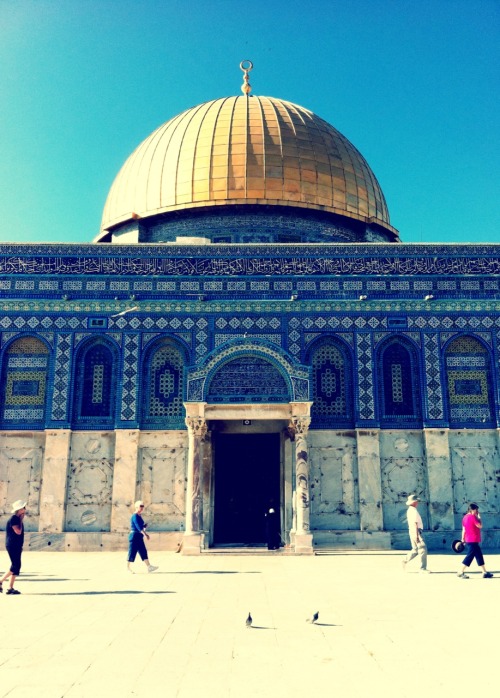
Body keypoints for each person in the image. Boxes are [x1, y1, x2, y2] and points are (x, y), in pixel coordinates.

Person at [457, 503, 493, 579]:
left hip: (469, 540)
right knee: (469, 556)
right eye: (476, 510)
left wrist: (462, 539)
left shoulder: (464, 518)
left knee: (479, 556)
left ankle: (484, 572)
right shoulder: (472, 517)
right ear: (472, 510)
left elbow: (463, 530)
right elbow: (480, 526)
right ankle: (460, 572)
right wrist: (479, 518)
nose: (477, 512)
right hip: (473, 539)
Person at [0, 499, 27, 595]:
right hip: (12, 545)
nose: (25, 509)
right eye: (23, 507)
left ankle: (10, 588)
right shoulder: (14, 519)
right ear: (19, 510)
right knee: (15, 565)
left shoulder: (17, 519)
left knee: (16, 566)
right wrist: (21, 520)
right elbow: (18, 532)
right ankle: (1, 581)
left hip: (16, 545)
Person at [127, 501, 158, 573]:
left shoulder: (139, 516)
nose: (142, 508)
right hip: (134, 536)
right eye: (140, 506)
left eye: (143, 506)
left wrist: (144, 526)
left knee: (143, 551)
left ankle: (149, 567)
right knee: (132, 552)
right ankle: (127, 568)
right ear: (136, 507)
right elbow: (138, 527)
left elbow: (141, 527)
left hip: (139, 536)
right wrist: (146, 534)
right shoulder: (135, 516)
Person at [402, 494, 430, 573]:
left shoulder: (409, 510)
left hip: (412, 531)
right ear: (414, 502)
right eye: (417, 501)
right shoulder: (413, 511)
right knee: (423, 549)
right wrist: (417, 536)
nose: (417, 502)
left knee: (415, 550)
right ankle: (422, 568)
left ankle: (404, 560)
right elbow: (415, 523)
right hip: (416, 531)